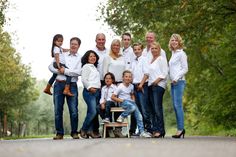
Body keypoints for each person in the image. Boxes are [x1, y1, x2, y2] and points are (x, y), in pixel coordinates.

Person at [48, 37, 82, 140]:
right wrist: (59, 71)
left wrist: (66, 71)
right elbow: (51, 66)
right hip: (58, 84)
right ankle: (59, 133)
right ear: (69, 44)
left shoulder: (80, 58)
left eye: (75, 44)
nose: (73, 45)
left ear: (79, 46)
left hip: (72, 85)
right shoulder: (62, 54)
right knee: (58, 110)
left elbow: (79, 72)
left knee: (74, 110)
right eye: (72, 43)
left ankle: (74, 132)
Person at [111, 70, 151, 138]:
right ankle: (122, 116)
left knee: (139, 116)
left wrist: (133, 100)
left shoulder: (131, 86)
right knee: (132, 107)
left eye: (130, 77)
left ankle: (141, 132)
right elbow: (113, 97)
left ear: (131, 78)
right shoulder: (120, 86)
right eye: (126, 76)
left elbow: (132, 94)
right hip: (123, 102)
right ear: (123, 78)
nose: (128, 78)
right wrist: (121, 100)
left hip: (131, 103)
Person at [103, 39, 127, 137]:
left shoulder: (123, 58)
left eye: (118, 45)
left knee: (120, 107)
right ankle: (109, 129)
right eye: (114, 45)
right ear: (111, 46)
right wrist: (108, 84)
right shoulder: (107, 57)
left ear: (120, 46)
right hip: (111, 84)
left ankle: (118, 129)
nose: (116, 47)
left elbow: (125, 71)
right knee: (110, 105)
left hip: (121, 84)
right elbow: (105, 73)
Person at [146, 42, 168, 138]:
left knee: (157, 108)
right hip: (151, 86)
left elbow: (164, 73)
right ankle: (155, 129)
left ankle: (160, 130)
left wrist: (156, 81)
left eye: (156, 48)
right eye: (152, 48)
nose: (154, 50)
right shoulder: (151, 60)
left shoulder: (161, 59)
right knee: (152, 110)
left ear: (159, 49)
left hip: (158, 86)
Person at [168, 34, 188, 138]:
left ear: (179, 42)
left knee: (178, 106)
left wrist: (176, 78)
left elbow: (185, 69)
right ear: (170, 42)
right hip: (173, 83)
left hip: (179, 82)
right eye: (172, 40)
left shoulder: (181, 53)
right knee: (175, 107)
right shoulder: (173, 53)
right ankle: (180, 128)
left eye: (176, 40)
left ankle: (180, 129)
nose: (174, 42)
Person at [130, 43, 152, 136]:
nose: (137, 51)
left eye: (138, 49)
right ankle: (141, 130)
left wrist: (141, 85)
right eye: (135, 49)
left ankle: (149, 129)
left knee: (144, 108)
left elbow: (147, 73)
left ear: (142, 50)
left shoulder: (144, 60)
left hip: (142, 86)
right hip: (135, 86)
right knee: (138, 109)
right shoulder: (134, 61)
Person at [80, 50, 101, 139]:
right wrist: (89, 88)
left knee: (93, 112)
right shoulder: (86, 67)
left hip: (97, 92)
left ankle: (90, 131)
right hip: (89, 92)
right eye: (90, 56)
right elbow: (84, 79)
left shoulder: (94, 67)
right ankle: (83, 129)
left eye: (94, 56)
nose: (93, 58)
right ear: (87, 58)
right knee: (93, 112)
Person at [92, 33, 108, 137]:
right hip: (95, 83)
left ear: (105, 40)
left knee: (107, 105)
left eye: (103, 39)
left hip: (107, 82)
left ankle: (110, 128)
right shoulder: (92, 52)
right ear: (96, 40)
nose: (101, 41)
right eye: (99, 39)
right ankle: (95, 130)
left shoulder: (109, 51)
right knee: (95, 106)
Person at [98, 72, 117, 138]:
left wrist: (104, 103)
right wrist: (102, 103)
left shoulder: (115, 87)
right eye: (106, 78)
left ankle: (107, 118)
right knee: (98, 107)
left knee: (108, 103)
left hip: (112, 103)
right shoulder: (103, 88)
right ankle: (109, 126)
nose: (107, 80)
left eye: (109, 78)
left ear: (112, 80)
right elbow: (102, 97)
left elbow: (112, 98)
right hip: (105, 104)